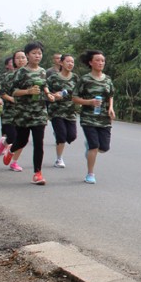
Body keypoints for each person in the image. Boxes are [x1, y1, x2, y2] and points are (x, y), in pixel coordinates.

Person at [9, 42, 55, 185]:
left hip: (39, 112)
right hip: (23, 113)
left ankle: (37, 173)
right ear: (28, 55)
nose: (37, 56)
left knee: (38, 143)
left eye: (39, 53)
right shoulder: (21, 72)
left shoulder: (42, 71)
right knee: (22, 141)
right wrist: (28, 92)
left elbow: (44, 85)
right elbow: (13, 91)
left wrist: (49, 94)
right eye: (34, 53)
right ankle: (10, 151)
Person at [72, 50, 115, 185]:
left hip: (104, 118)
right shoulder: (85, 79)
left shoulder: (107, 79)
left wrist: (110, 108)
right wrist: (89, 102)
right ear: (91, 62)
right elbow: (74, 98)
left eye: (102, 60)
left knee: (104, 147)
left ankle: (90, 147)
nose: (100, 63)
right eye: (97, 60)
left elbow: (111, 95)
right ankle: (90, 174)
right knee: (94, 146)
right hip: (88, 118)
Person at [47, 54, 79, 168]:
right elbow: (45, 92)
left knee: (72, 136)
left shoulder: (75, 78)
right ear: (61, 63)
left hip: (70, 111)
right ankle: (59, 159)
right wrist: (53, 95)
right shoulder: (53, 78)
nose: (70, 64)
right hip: (56, 111)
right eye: (68, 61)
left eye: (72, 62)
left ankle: (59, 133)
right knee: (62, 136)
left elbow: (79, 92)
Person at [0, 51, 27, 172]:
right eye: (18, 58)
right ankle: (4, 142)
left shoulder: (31, 75)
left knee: (21, 139)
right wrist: (12, 99)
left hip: (25, 112)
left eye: (23, 58)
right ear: (14, 61)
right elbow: (2, 93)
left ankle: (14, 162)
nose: (21, 60)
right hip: (10, 112)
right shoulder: (9, 76)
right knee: (12, 136)